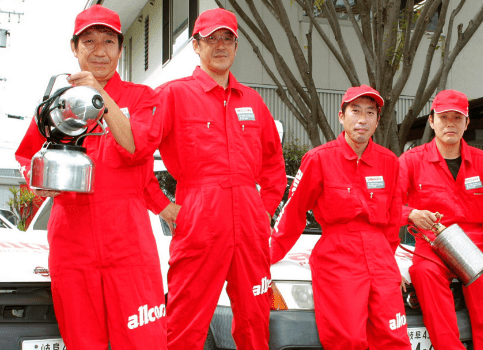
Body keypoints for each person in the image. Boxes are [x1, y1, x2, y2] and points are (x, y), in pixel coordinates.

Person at [14, 5, 168, 349]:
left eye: (108, 41)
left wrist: (100, 95)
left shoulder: (143, 97)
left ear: (120, 48)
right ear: (74, 47)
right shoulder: (56, 102)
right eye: (89, 41)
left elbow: (136, 146)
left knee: (145, 341)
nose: (99, 51)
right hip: (72, 239)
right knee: (83, 342)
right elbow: (28, 155)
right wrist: (39, 182)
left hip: (128, 241)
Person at [155, 8, 286, 350]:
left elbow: (273, 164)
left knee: (255, 323)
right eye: (211, 39)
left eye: (227, 38)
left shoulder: (254, 102)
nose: (220, 45)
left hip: (249, 225)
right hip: (199, 218)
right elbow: (136, 152)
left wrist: (263, 210)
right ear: (196, 46)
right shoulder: (173, 95)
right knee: (184, 325)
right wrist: (162, 205)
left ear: (236, 46)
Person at [271, 85, 410, 350]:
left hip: (380, 257)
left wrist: (389, 264)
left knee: (393, 339)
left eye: (370, 113)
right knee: (347, 340)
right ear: (341, 116)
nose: (362, 119)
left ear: (378, 121)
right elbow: (293, 212)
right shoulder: (319, 160)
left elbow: (393, 219)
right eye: (355, 111)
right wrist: (268, 254)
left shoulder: (390, 162)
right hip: (338, 256)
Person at [396, 89, 483, 349]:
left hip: (477, 247)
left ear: (467, 122)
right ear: (431, 120)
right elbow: (388, 205)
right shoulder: (410, 162)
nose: (450, 123)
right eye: (444, 117)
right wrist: (411, 214)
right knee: (422, 272)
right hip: (431, 246)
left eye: (457, 118)